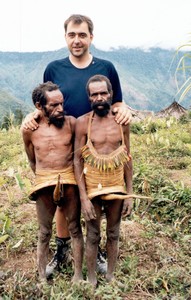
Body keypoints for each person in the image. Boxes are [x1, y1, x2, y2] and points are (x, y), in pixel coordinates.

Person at [22, 14, 132, 277]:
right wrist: (33, 115)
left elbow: (116, 101)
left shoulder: (106, 67)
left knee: (96, 196)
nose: (77, 40)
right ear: (65, 37)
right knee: (64, 201)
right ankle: (63, 249)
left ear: (91, 37)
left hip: (95, 145)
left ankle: (98, 252)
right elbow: (46, 99)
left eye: (82, 34)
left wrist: (124, 107)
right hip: (65, 142)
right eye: (72, 34)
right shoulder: (54, 68)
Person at [21, 81, 84, 283]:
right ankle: (41, 278)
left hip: (69, 179)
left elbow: (94, 123)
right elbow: (32, 158)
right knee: (44, 232)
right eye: (53, 106)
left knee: (75, 228)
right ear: (39, 106)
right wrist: (44, 179)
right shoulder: (29, 129)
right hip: (44, 181)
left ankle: (78, 275)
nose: (60, 109)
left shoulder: (71, 123)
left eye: (61, 104)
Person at [74, 75, 133, 287]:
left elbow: (127, 157)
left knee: (114, 233)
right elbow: (77, 161)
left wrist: (129, 193)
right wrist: (83, 198)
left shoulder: (121, 122)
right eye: (94, 94)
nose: (99, 98)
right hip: (92, 188)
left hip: (116, 185)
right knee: (93, 234)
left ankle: (110, 276)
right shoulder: (83, 123)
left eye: (103, 93)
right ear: (89, 97)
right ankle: (91, 278)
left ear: (111, 94)